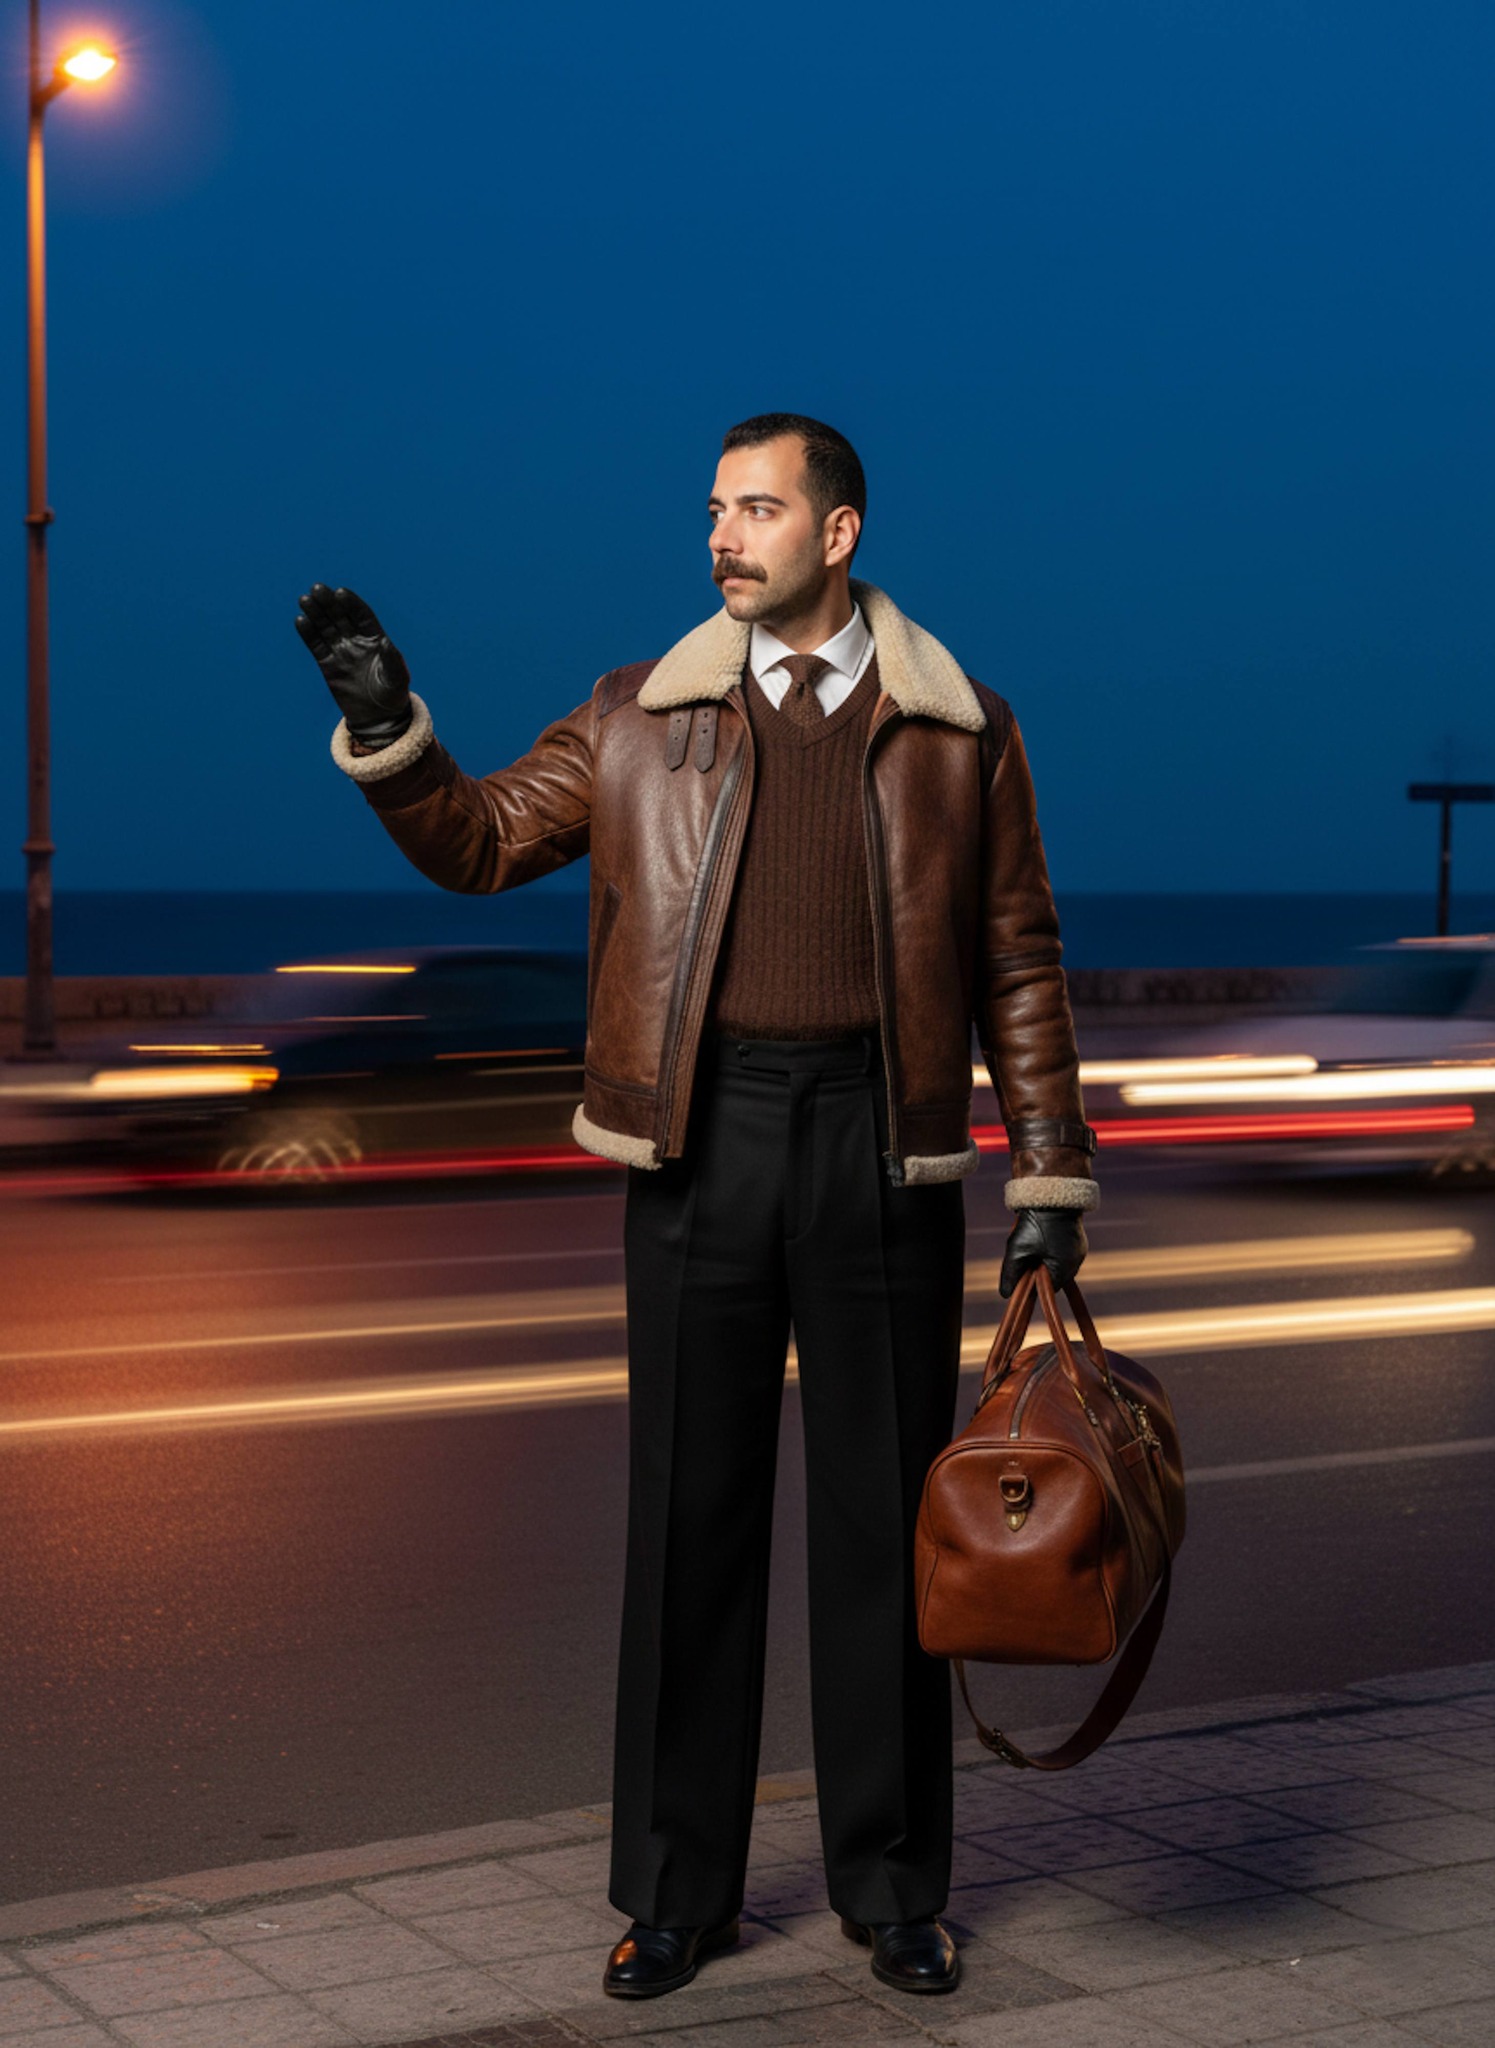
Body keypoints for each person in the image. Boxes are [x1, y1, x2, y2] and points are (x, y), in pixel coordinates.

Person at [295, 412, 1097, 2000]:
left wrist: (1049, 1170)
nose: (722, 535)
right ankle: (678, 1893)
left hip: (884, 1146)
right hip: (697, 1147)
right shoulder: (637, 715)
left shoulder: (961, 728)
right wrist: (392, 736)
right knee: (690, 1527)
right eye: (714, 509)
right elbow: (480, 841)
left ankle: (894, 1891)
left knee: (887, 1534)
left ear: (839, 533)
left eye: (757, 509)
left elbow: (1017, 952)